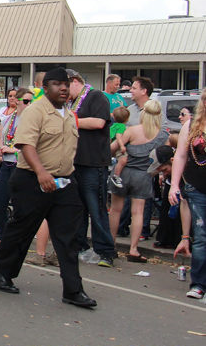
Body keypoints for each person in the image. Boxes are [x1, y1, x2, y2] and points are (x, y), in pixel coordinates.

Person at [0, 68, 96, 309]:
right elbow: (25, 144)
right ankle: (1, 272)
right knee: (22, 231)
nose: (64, 88)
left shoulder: (68, 113)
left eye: (66, 84)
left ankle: (73, 290)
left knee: (68, 237)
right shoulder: (35, 111)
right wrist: (41, 173)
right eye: (57, 84)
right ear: (45, 88)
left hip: (65, 182)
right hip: (32, 180)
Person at [68, 71, 118, 268]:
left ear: (75, 82)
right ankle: (81, 246)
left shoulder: (96, 96)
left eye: (65, 86)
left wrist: (71, 120)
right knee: (77, 208)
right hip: (75, 162)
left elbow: (99, 122)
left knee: (96, 208)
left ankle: (105, 250)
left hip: (93, 162)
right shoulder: (71, 103)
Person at [108, 100, 168, 262]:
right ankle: (133, 249)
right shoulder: (163, 136)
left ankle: (111, 245)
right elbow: (165, 159)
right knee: (138, 212)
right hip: (143, 175)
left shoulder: (132, 131)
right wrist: (154, 173)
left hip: (123, 173)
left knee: (115, 209)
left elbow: (111, 149)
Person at [168, 90, 206, 299]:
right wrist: (174, 185)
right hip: (196, 186)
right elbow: (180, 155)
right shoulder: (191, 126)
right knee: (201, 236)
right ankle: (199, 284)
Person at [0, 87, 33, 247]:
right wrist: (0, 147)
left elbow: (33, 143)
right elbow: (2, 136)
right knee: (0, 201)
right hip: (6, 164)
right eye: (26, 101)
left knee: (20, 202)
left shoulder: (32, 120)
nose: (29, 104)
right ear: (17, 101)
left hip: (21, 165)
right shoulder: (8, 119)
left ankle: (19, 237)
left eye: (31, 102)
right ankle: (3, 235)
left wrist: (13, 149)